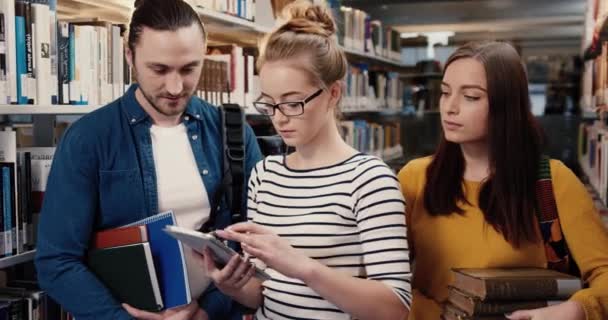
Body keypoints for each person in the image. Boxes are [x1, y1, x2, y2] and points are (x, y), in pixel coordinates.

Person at [34, 0, 262, 319]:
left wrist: (208, 311)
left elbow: (255, 242)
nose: (175, 87)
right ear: (130, 57)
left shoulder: (232, 133)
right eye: (159, 69)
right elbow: (56, 261)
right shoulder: (88, 139)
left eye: (188, 68)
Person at [197, 2, 412, 320]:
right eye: (269, 103)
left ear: (334, 93)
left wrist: (301, 266)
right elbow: (264, 295)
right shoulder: (264, 174)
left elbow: (394, 308)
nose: (279, 118)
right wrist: (232, 285)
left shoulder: (370, 179)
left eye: (293, 102)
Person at [398, 41, 608, 320]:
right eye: (445, 93)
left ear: (506, 105)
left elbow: (604, 274)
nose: (450, 107)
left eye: (471, 97)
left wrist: (576, 309)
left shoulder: (553, 182)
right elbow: (385, 279)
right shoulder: (414, 179)